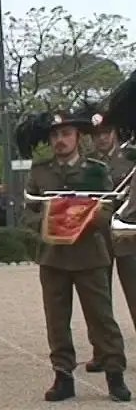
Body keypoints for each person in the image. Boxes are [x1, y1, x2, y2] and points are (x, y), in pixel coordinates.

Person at [18, 110, 130, 402]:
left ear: (78, 137)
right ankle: (63, 376)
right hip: (53, 255)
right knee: (56, 320)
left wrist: (82, 220)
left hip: (89, 252)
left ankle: (114, 374)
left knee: (101, 318)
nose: (60, 140)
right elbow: (29, 208)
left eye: (66, 134)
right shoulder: (40, 171)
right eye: (55, 135)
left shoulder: (94, 169)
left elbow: (109, 206)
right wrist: (46, 223)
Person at [83, 105, 136, 372]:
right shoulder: (87, 163)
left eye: (106, 132)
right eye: (97, 134)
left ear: (114, 133)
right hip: (97, 235)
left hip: (126, 233)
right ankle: (103, 351)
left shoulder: (131, 161)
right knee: (98, 299)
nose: (102, 138)